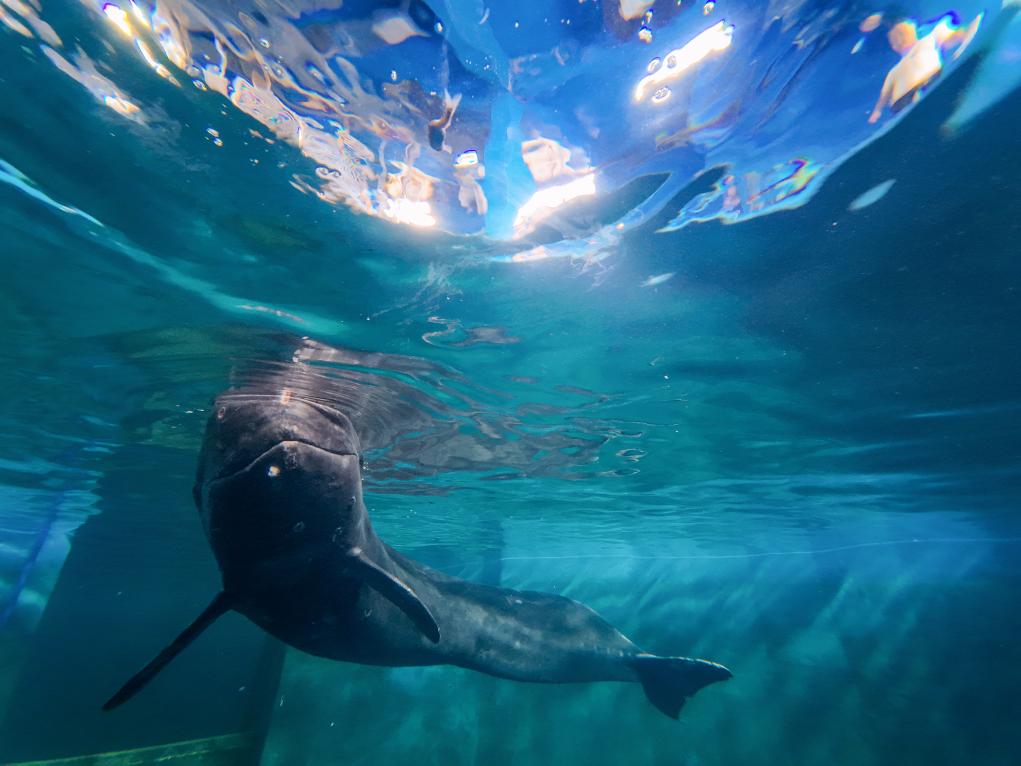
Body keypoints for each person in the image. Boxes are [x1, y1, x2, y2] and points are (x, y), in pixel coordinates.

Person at [868, 12, 982, 123]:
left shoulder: (928, 41)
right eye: (895, 39)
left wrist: (965, 35)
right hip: (903, 102)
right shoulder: (895, 71)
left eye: (901, 34)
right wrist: (877, 111)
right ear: (893, 46)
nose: (899, 40)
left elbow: (953, 37)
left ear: (913, 30)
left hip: (927, 84)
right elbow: (885, 95)